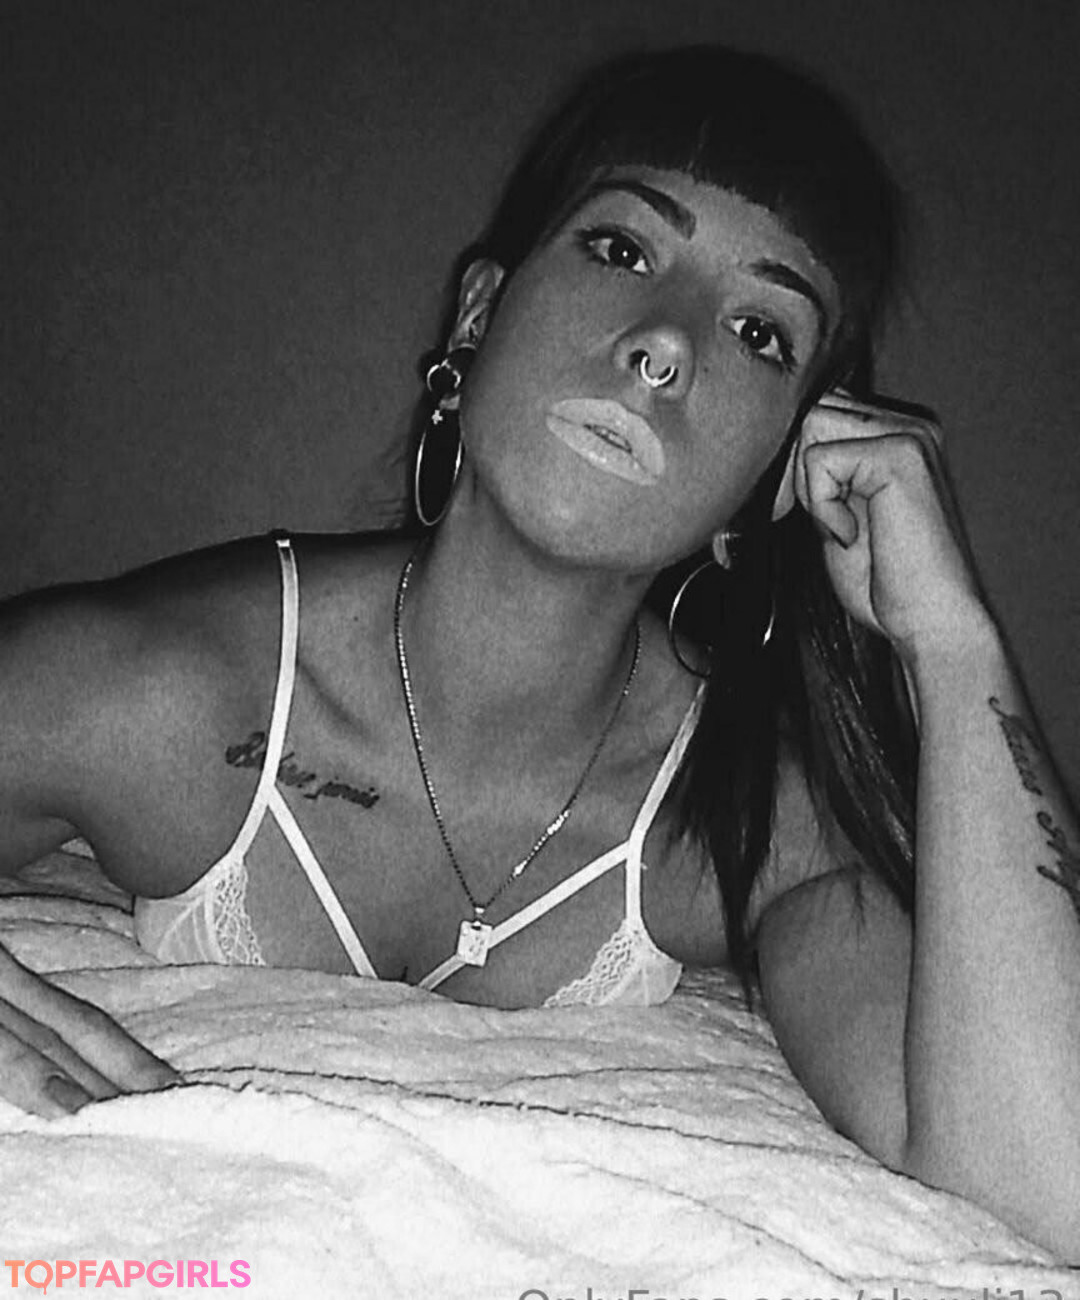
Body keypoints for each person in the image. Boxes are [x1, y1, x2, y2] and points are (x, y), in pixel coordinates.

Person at [1, 44, 1078, 1258]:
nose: (666, 346)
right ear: (478, 314)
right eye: (621, 250)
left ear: (779, 469)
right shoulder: (165, 695)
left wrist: (953, 640)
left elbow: (1045, 1181)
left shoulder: (745, 822)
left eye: (760, 331)